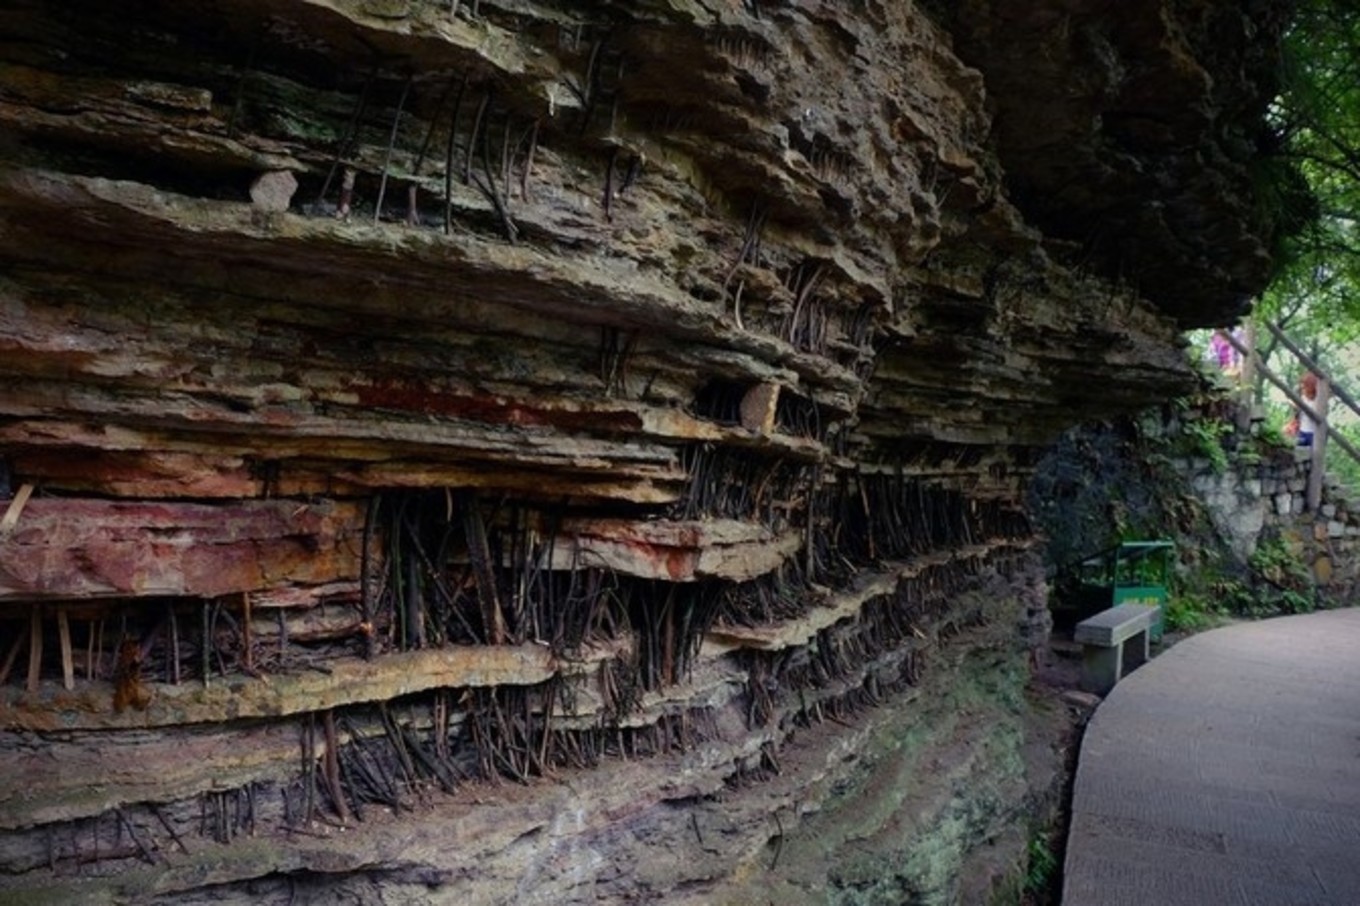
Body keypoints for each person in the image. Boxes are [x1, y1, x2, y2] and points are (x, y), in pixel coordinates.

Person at [1296, 372, 1319, 447]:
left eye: (1305, 385)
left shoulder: (1318, 400)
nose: (1302, 386)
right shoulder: (1302, 397)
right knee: (1301, 456)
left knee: (1312, 457)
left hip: (1313, 434)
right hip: (1302, 431)